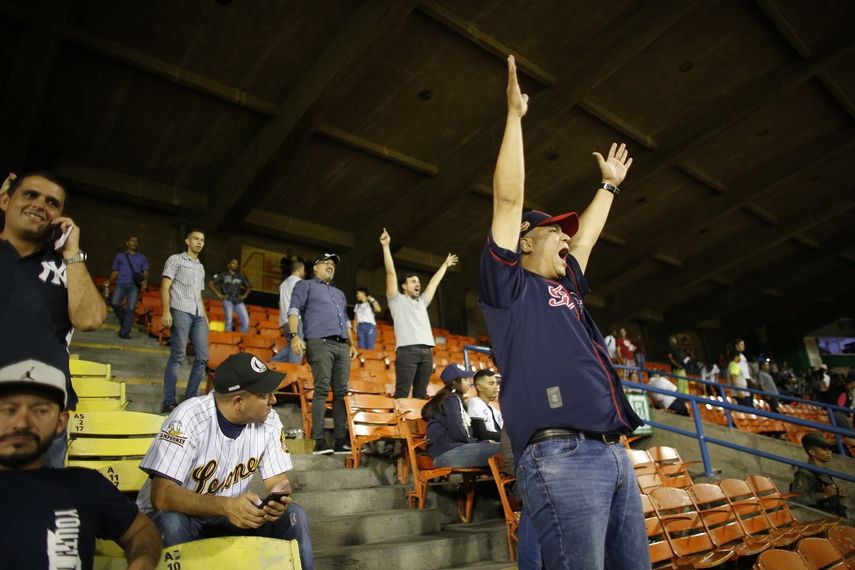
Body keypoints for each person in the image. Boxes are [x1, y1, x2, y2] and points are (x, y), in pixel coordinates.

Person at [478, 56, 647, 569]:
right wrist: (514, 117)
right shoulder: (509, 286)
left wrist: (609, 186)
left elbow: (588, 236)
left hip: (613, 453)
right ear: (526, 242)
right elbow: (509, 202)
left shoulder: (567, 282)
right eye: (556, 231)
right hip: (562, 455)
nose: (567, 237)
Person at [136, 353, 313, 568]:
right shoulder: (188, 416)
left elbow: (278, 483)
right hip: (178, 518)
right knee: (173, 522)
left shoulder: (270, 420)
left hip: (228, 517)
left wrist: (277, 503)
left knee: (294, 515)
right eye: (265, 395)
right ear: (238, 402)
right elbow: (162, 496)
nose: (274, 401)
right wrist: (224, 506)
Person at [0, 359, 161, 569]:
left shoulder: (84, 484)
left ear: (61, 422)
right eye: (9, 410)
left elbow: (141, 530)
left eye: (40, 411)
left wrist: (143, 563)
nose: (21, 423)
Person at [0, 171, 107, 467]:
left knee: (41, 508)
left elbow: (91, 320)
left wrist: (72, 252)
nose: (40, 205)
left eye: (52, 202)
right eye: (30, 195)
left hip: (45, 419)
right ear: (5, 199)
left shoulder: (66, 266)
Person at [287, 253, 356, 455]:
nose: (330, 266)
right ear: (315, 268)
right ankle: (319, 440)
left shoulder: (340, 294)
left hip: (342, 345)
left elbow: (345, 320)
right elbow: (293, 310)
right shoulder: (304, 285)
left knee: (341, 392)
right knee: (322, 388)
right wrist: (294, 335)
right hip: (320, 342)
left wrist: (352, 344)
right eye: (326, 263)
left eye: (333, 264)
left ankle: (340, 440)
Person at [380, 227, 458, 398]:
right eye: (413, 281)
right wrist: (386, 247)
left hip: (427, 352)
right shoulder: (396, 300)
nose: (418, 283)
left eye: (418, 281)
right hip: (407, 351)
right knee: (402, 392)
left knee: (421, 394)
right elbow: (390, 273)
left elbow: (433, 283)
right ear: (404, 286)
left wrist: (444, 265)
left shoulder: (422, 302)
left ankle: (417, 425)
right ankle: (401, 424)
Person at [160, 229, 208, 413]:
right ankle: (169, 401)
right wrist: (166, 311)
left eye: (202, 240)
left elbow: (199, 294)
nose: (199, 242)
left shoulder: (200, 267)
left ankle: (189, 400)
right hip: (180, 309)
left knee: (203, 357)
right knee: (178, 356)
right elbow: (165, 286)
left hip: (198, 314)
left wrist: (206, 317)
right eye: (196, 239)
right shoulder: (175, 260)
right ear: (187, 241)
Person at [422, 364, 500, 467]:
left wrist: (483, 442)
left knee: (506, 449)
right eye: (465, 380)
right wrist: (480, 444)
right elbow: (459, 431)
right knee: (507, 449)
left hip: (449, 451)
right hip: (447, 453)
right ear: (455, 382)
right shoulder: (452, 399)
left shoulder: (449, 399)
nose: (469, 383)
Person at [790, 432, 848, 518]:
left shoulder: (823, 470)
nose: (829, 452)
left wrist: (836, 492)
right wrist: (823, 495)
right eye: (824, 449)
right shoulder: (805, 472)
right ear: (812, 452)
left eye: (829, 449)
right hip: (815, 517)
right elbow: (796, 499)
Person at [108, 235, 150, 339]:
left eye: (136, 241)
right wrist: (109, 281)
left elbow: (145, 272)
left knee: (130, 308)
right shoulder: (120, 256)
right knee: (115, 303)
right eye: (132, 241)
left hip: (134, 286)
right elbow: (115, 271)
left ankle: (125, 332)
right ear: (127, 243)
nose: (134, 243)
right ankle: (124, 322)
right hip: (121, 283)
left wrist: (144, 281)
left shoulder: (142, 258)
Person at [272, 256, 306, 363]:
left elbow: (279, 303)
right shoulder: (300, 282)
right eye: (304, 269)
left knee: (293, 346)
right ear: (300, 269)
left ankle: (271, 364)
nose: (304, 272)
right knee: (297, 349)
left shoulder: (283, 284)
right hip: (294, 320)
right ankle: (294, 373)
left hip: (283, 322)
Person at [209, 258, 252, 333]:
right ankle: (228, 338)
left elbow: (249, 287)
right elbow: (210, 284)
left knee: (246, 320)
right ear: (229, 265)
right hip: (227, 299)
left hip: (238, 300)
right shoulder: (223, 274)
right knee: (229, 320)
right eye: (233, 263)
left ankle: (242, 338)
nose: (235, 265)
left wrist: (244, 295)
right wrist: (218, 294)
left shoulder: (239, 276)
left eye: (236, 264)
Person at [466, 369, 503, 441]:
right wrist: (509, 436)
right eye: (491, 383)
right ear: (479, 387)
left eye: (496, 383)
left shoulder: (494, 410)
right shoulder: (474, 403)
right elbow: (481, 434)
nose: (496, 387)